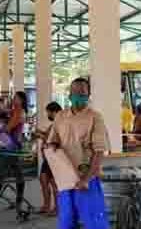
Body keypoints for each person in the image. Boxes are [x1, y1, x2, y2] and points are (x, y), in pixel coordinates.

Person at [47, 78, 110, 229]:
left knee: (94, 221)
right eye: (75, 93)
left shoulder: (95, 117)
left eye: (82, 93)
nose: (78, 96)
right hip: (66, 179)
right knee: (66, 221)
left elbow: (99, 151)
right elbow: (53, 141)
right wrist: (53, 146)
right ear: (69, 95)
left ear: (88, 95)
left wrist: (87, 179)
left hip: (86, 177)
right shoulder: (60, 116)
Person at [0, 91, 28, 214]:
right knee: (17, 174)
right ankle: (17, 201)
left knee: (2, 174)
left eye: (16, 98)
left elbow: (8, 128)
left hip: (11, 147)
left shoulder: (19, 112)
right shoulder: (13, 111)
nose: (13, 100)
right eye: (13, 97)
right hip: (8, 146)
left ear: (21, 100)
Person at [34, 101, 62, 216]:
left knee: (53, 183)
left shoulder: (60, 123)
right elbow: (49, 134)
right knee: (43, 179)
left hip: (54, 157)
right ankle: (46, 205)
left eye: (48, 113)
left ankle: (57, 208)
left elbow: (54, 139)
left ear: (54, 112)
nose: (47, 115)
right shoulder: (54, 123)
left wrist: (41, 136)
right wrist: (41, 132)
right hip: (47, 157)